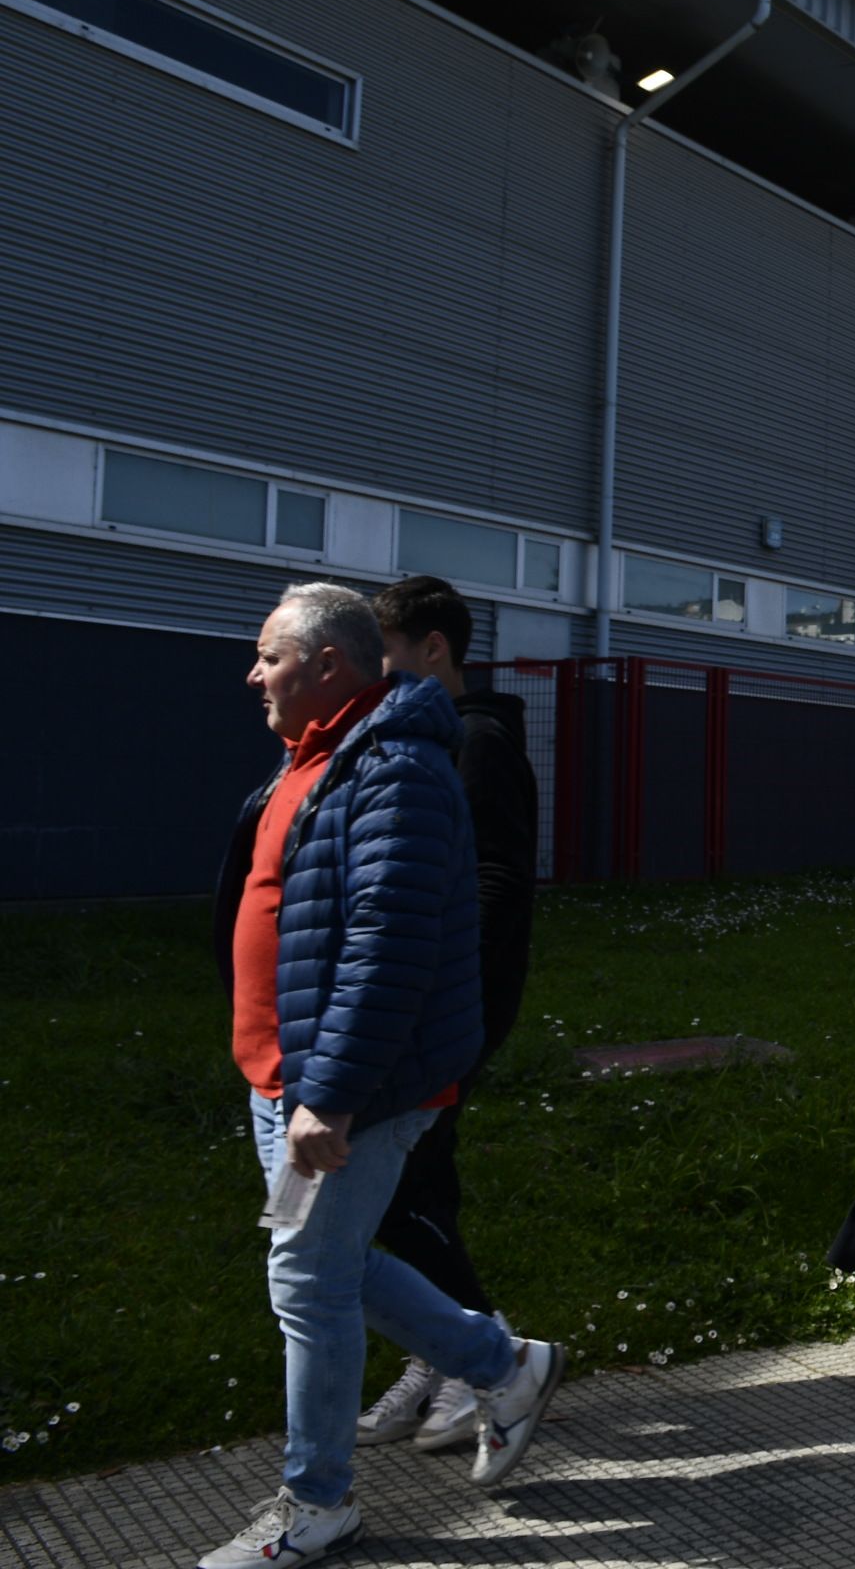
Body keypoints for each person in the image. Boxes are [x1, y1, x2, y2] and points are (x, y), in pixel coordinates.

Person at [202, 585, 562, 1569]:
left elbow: (388, 946)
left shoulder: (396, 769)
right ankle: (503, 1362)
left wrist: (334, 1089)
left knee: (307, 1280)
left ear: (328, 664)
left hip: (344, 1086)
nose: (253, 672)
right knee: (332, 1264)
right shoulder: (318, 756)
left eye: (268, 654)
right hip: (283, 1074)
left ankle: (315, 1504)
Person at [352, 577, 542, 1456]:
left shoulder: (477, 744)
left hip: (450, 1006)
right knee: (418, 1179)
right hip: (434, 1002)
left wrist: (443, 984)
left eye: (386, 652)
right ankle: (444, 1358)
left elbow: (498, 879)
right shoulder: (437, 739)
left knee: (406, 1185)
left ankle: (487, 1359)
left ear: (435, 649)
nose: (375, 672)